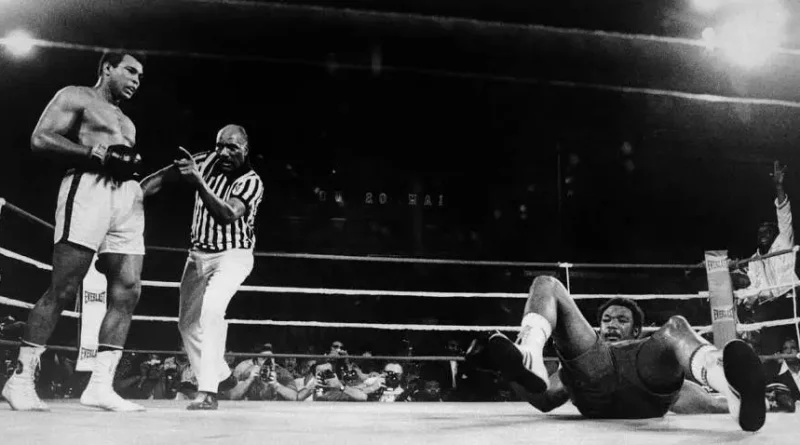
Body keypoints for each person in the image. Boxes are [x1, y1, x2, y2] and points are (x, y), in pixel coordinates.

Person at [3, 52, 147, 412]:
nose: (136, 80)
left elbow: (120, 161)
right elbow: (41, 138)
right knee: (64, 287)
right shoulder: (77, 95)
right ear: (107, 68)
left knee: (128, 288)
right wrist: (93, 153)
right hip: (88, 189)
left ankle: (100, 386)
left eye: (141, 76)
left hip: (125, 199)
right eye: (130, 71)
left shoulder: (127, 122)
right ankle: (19, 380)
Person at [478, 276, 766, 431]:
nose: (612, 324)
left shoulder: (649, 353)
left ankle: (728, 385)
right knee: (546, 284)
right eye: (606, 320)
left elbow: (704, 402)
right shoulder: (578, 368)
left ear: (637, 329)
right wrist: (510, 372)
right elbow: (544, 397)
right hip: (596, 374)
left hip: (644, 374)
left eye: (622, 320)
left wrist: (763, 397)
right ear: (597, 327)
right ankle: (529, 351)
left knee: (676, 328)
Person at [140, 124, 264, 410]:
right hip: (197, 255)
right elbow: (165, 176)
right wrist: (136, 192)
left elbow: (228, 213)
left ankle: (208, 391)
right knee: (186, 323)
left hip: (233, 255)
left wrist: (198, 182)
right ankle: (220, 374)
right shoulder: (205, 160)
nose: (223, 152)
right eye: (220, 145)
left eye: (232, 147)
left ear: (245, 149)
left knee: (212, 311)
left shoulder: (251, 181)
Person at [734, 160, 800, 360]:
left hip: (791, 297)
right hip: (769, 304)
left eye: (767, 231)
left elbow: (784, 214)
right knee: (766, 343)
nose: (763, 234)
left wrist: (779, 186)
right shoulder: (753, 261)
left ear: (775, 233)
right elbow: (755, 287)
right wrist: (744, 298)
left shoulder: (783, 242)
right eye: (760, 232)